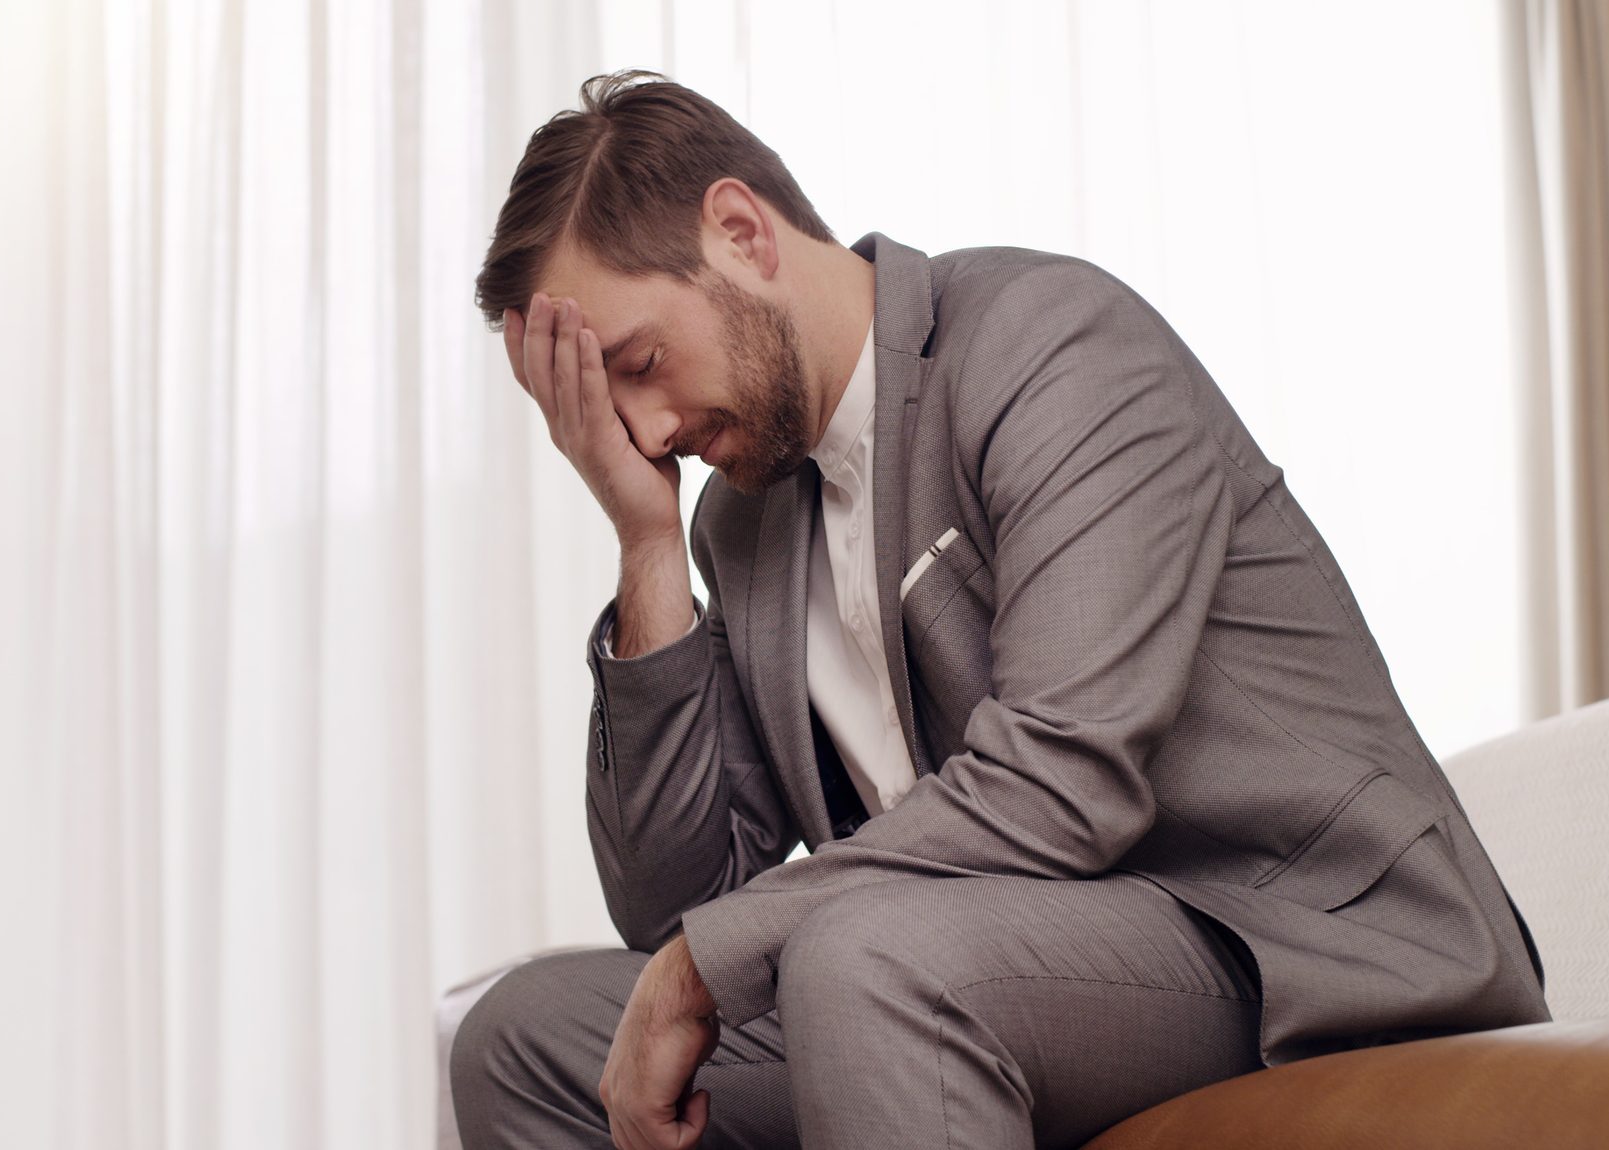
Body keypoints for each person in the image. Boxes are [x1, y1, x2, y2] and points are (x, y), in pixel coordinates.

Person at [449, 69, 1550, 1150]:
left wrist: (705, 954)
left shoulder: (1051, 344)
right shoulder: (738, 528)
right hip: (988, 972)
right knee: (523, 1040)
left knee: (863, 958)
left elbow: (1060, 780)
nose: (640, 433)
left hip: (1288, 941)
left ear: (741, 232)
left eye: (640, 363)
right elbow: (677, 901)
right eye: (604, 405)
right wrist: (645, 543)